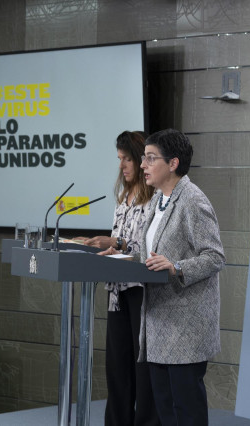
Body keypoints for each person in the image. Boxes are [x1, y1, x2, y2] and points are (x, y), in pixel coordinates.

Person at [102, 128, 225, 425]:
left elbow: (215, 257)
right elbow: (150, 256)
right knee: (166, 414)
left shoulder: (192, 200)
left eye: (150, 158)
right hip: (157, 326)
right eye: (143, 158)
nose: (143, 165)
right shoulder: (159, 200)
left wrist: (177, 267)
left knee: (186, 413)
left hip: (185, 329)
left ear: (173, 163)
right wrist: (122, 257)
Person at [82, 131, 159, 425]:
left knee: (142, 367)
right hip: (116, 290)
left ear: (140, 160)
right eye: (119, 159)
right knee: (117, 367)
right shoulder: (122, 198)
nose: (121, 165)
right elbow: (119, 242)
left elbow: (148, 247)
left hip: (141, 289)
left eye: (126, 159)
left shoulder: (154, 197)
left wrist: (116, 242)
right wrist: (100, 245)